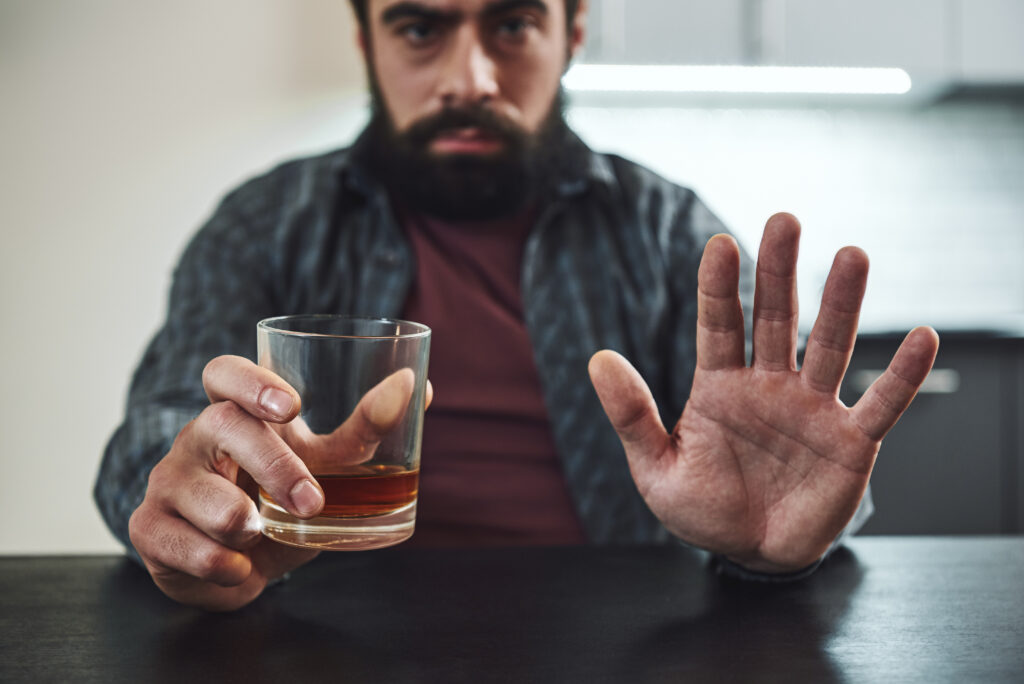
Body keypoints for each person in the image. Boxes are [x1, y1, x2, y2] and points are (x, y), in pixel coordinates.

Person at [95, 0, 939, 611]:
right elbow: (154, 434)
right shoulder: (265, 222)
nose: (472, 78)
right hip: (313, 628)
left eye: (512, 25)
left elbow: (796, 464)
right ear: (365, 39)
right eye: (421, 28)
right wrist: (190, 501)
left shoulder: (666, 228)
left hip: (620, 643)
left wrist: (768, 547)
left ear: (570, 35)